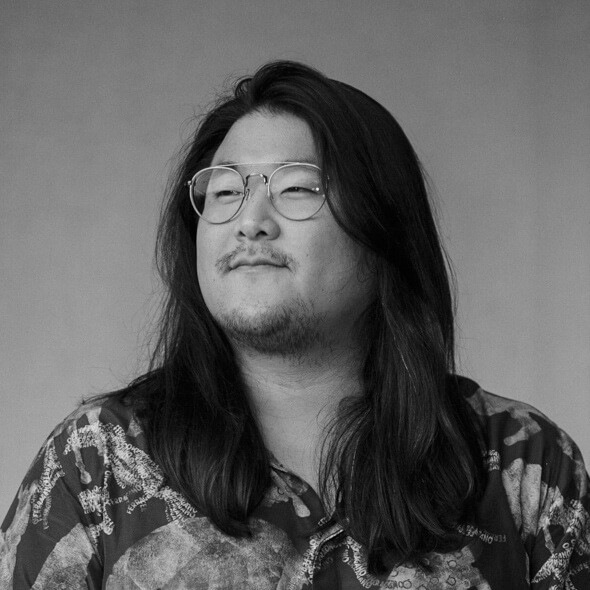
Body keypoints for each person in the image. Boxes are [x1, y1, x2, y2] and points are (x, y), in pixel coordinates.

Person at [1, 60, 588, 589]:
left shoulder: (524, 468)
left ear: (384, 231)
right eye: (225, 190)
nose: (249, 222)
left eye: (298, 188)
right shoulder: (96, 463)